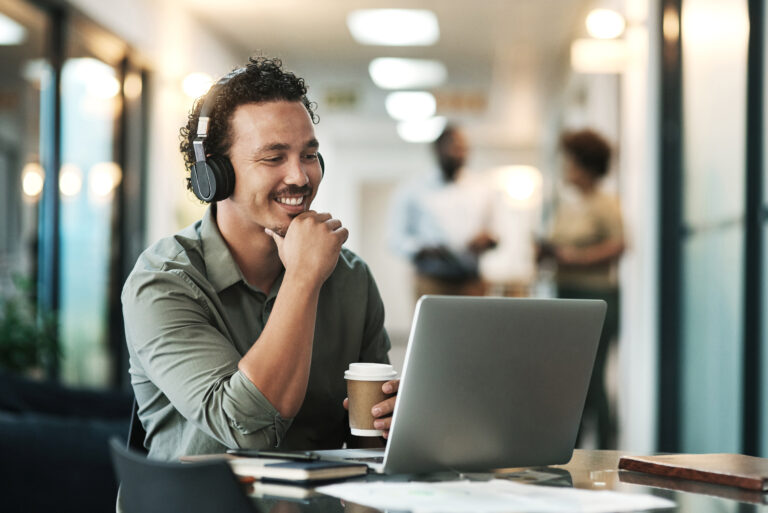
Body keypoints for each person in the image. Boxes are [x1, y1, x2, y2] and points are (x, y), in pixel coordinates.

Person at [121, 57, 398, 461]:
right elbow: (245, 427)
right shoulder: (163, 281)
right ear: (214, 174)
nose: (301, 177)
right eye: (274, 157)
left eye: (308, 155)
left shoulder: (351, 278)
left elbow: (366, 449)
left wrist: (392, 425)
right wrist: (304, 278)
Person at [539, 128, 624, 449]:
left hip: (596, 298)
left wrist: (574, 257)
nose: (565, 168)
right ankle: (570, 447)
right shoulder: (563, 204)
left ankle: (605, 450)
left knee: (593, 378)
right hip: (566, 295)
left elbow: (619, 245)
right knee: (570, 378)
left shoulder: (605, 204)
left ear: (585, 165)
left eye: (570, 162)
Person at [389, 124, 497, 299]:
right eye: (454, 147)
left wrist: (486, 240)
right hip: (431, 282)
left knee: (474, 327)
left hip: (471, 282)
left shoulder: (482, 189)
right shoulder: (413, 189)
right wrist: (423, 248)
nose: (459, 153)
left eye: (463, 149)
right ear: (437, 149)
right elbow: (395, 238)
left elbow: (495, 233)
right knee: (432, 327)